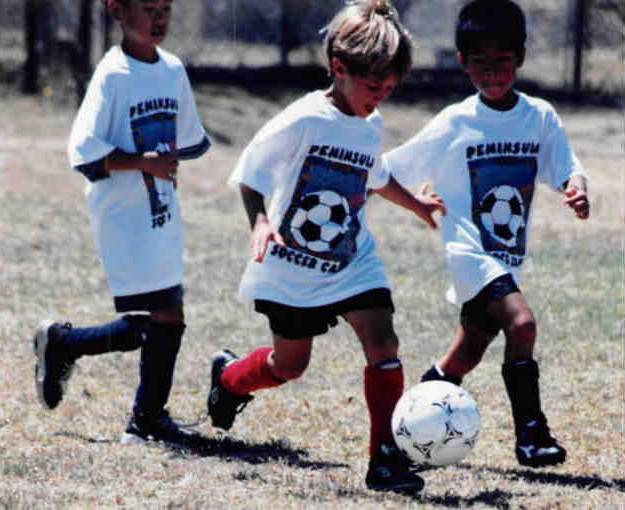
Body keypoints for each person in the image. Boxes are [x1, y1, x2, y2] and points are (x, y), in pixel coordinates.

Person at [207, 0, 446, 493]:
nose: (380, 98)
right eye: (373, 86)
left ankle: (384, 459)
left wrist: (417, 206)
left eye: (389, 89)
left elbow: (375, 176)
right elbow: (249, 178)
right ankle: (228, 378)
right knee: (289, 366)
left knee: (384, 342)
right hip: (292, 267)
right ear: (339, 68)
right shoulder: (302, 121)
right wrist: (259, 224)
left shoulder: (370, 125)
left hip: (351, 260)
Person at [383, 0, 590, 468]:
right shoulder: (456, 122)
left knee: (464, 355)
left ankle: (407, 433)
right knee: (522, 324)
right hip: (470, 252)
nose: (492, 71)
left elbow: (566, 169)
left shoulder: (539, 117)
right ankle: (531, 434)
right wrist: (416, 204)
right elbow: (387, 169)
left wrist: (576, 190)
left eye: (502, 59)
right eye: (480, 61)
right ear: (462, 62)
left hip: (508, 256)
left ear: (519, 56)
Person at [33, 0, 211, 446]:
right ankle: (146, 418)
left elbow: (186, 140)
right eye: (148, 8)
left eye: (165, 8)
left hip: (161, 211)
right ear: (116, 10)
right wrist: (141, 163)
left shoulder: (172, 70)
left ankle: (65, 345)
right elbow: (84, 152)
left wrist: (163, 163)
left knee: (157, 319)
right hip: (121, 215)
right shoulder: (113, 74)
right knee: (162, 317)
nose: (159, 19)